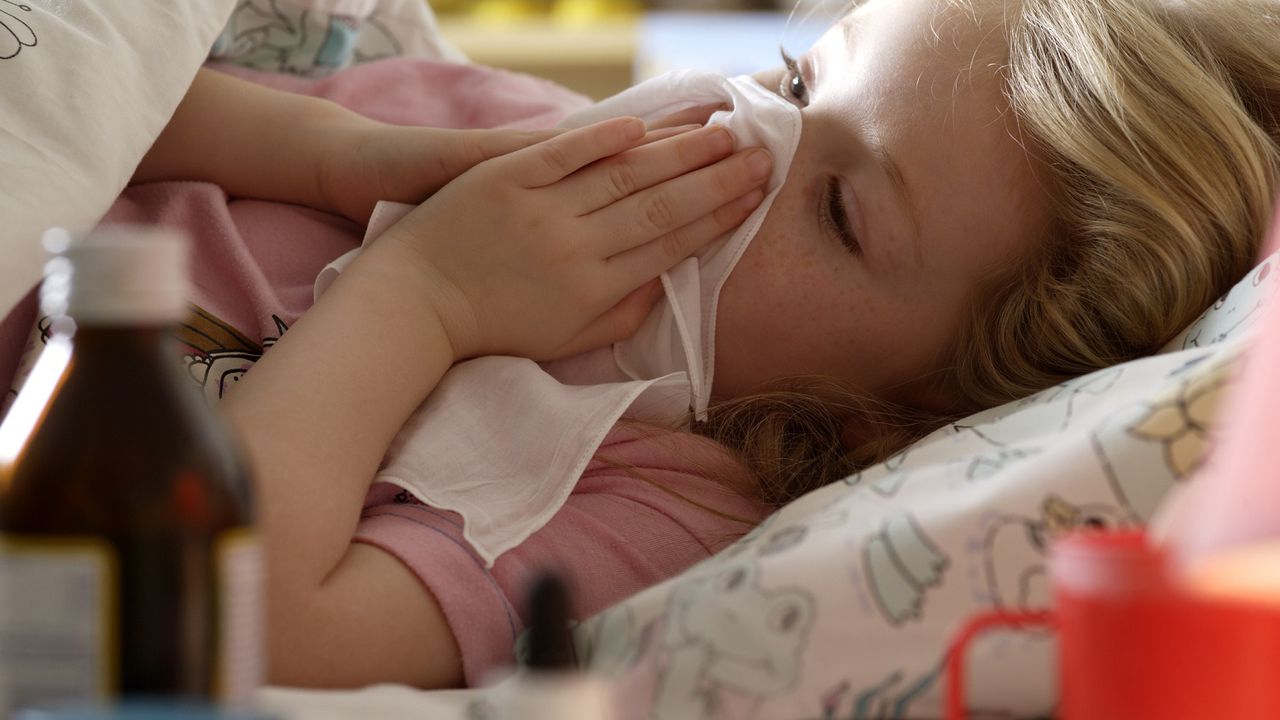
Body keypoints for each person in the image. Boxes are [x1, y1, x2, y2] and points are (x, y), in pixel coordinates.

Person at [123, 0, 1280, 691]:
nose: (742, 129)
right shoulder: (524, 143)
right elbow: (105, 105)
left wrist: (418, 295)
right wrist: (331, 152)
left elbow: (219, 623)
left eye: (837, 207)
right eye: (795, 78)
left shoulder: (664, 499)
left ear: (884, 416)